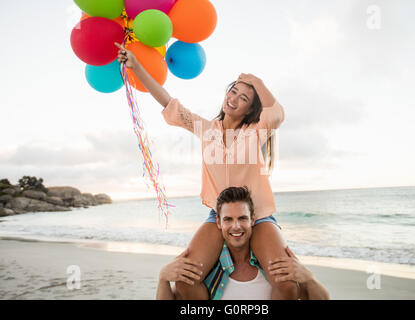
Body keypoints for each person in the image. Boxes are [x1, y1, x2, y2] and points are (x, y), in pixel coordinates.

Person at [116, 43, 296, 299]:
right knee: (185, 279)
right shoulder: (207, 130)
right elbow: (169, 103)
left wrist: (255, 80)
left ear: (250, 109)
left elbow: (278, 113)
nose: (233, 99)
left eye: (243, 98)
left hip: (259, 216)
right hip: (218, 216)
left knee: (287, 282)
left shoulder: (257, 130)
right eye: (233, 92)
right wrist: (137, 67)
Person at [156, 187, 330, 300]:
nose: (236, 226)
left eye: (242, 218)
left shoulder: (274, 270)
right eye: (228, 219)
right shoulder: (209, 274)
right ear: (218, 223)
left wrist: (309, 279)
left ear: (253, 220)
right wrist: (163, 278)